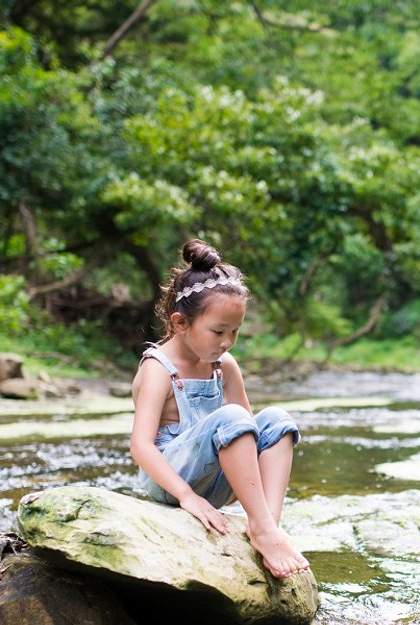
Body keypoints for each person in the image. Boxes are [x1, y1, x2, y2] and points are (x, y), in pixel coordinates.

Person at [130, 239, 310, 579]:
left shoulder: (224, 365)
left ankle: (266, 525)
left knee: (276, 420)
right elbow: (140, 446)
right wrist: (186, 497)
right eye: (218, 331)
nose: (226, 342)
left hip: (215, 478)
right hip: (172, 480)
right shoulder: (158, 367)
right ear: (181, 323)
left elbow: (251, 435)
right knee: (232, 417)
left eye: (235, 331)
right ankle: (263, 527)